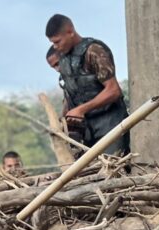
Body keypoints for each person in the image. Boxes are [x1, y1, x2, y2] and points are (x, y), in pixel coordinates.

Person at [45, 14, 129, 155]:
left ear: (70, 32)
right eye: (52, 43)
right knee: (89, 175)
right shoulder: (64, 59)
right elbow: (69, 94)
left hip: (110, 127)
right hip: (86, 132)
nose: (55, 47)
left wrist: (81, 109)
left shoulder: (94, 50)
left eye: (57, 41)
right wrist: (63, 122)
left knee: (113, 171)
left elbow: (113, 90)